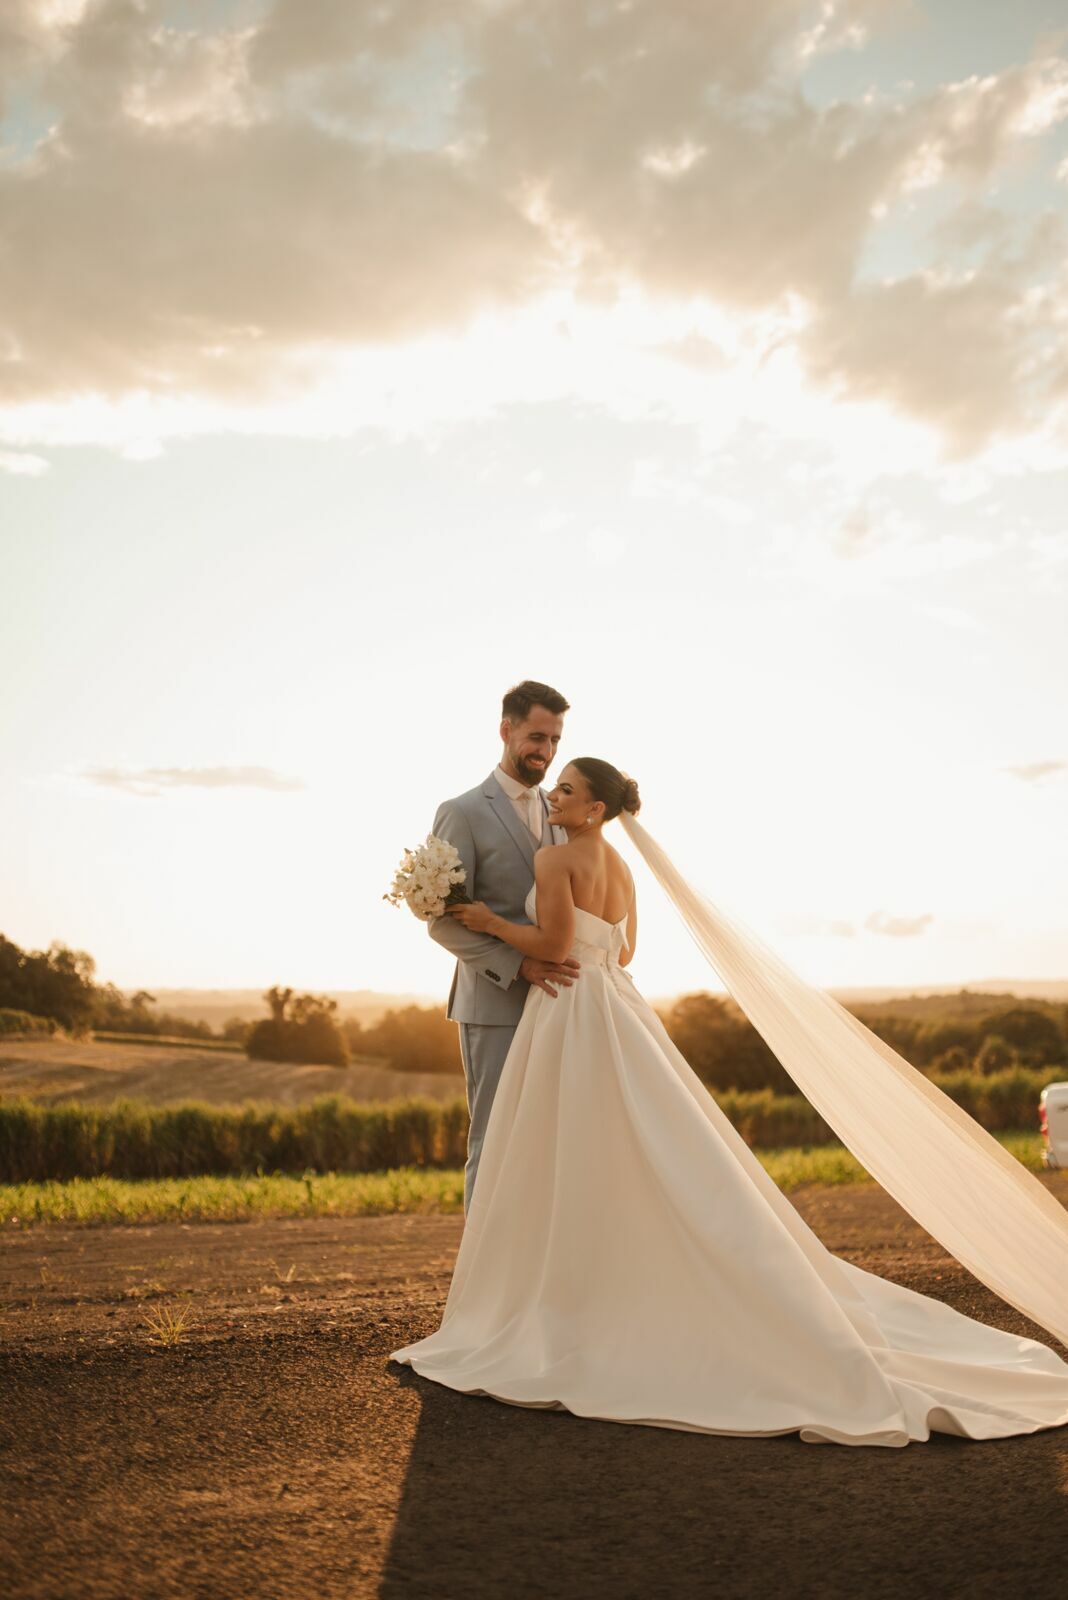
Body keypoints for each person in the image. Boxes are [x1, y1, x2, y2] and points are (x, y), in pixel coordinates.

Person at [390, 757, 1068, 1448]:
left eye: (567, 789)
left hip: (565, 1009)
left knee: (565, 1148)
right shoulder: (621, 868)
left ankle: (565, 1296)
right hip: (614, 1007)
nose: (554, 797)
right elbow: (623, 957)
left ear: (593, 808)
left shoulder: (556, 862)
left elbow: (555, 945)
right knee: (633, 1143)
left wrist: (488, 922)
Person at [427, 680, 575, 1212]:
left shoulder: (563, 811)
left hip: (559, 1003)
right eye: (537, 736)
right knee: (494, 1141)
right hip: (493, 1005)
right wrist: (519, 965)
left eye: (556, 740)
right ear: (506, 730)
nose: (547, 751)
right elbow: (441, 922)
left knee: (549, 1145)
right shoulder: (461, 811)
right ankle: (479, 1290)